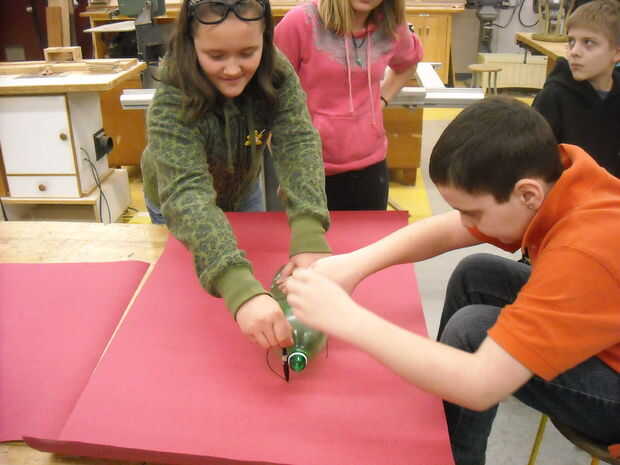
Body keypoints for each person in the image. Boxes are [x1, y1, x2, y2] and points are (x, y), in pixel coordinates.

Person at [285, 97, 620, 464]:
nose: (466, 223)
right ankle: (444, 421)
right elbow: (448, 231)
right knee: (476, 273)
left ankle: (456, 457)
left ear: (528, 194)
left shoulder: (581, 251)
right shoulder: (557, 176)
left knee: (473, 333)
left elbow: (480, 385)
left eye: (471, 212)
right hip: (603, 332)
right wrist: (352, 266)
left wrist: (346, 318)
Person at [141, 0, 332, 350]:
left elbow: (297, 142)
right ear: (191, 43)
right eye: (215, 56)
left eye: (247, 53)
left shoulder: (276, 71)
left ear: (265, 39)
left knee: (252, 260)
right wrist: (239, 289)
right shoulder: (173, 91)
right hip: (176, 196)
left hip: (242, 188)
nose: (232, 69)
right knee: (183, 291)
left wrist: (309, 231)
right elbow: (186, 194)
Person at [274, 0, 423, 210]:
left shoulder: (390, 24)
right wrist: (289, 169)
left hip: (371, 168)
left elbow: (407, 63)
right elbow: (272, 95)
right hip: (310, 168)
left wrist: (380, 101)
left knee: (369, 232)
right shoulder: (300, 22)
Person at [532, 0, 620, 177]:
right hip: (566, 191)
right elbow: (534, 163)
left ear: (617, 53)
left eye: (588, 43)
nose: (574, 52)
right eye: (571, 42)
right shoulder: (553, 96)